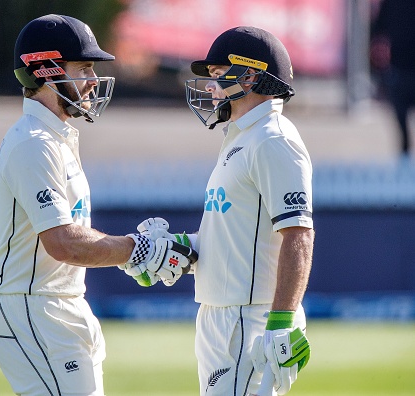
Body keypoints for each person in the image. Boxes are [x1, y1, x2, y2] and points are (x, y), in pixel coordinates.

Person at [0, 14, 195, 396]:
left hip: (59, 306)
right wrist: (137, 249)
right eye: (83, 68)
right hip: (35, 309)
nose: (94, 80)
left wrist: (132, 252)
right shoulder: (35, 143)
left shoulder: (55, 138)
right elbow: (63, 243)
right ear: (46, 71)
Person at [131, 26, 314, 395]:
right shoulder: (241, 137)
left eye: (217, 76)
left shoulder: (273, 138)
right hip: (222, 314)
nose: (211, 87)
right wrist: (180, 248)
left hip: (250, 318)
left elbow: (298, 233)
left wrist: (281, 320)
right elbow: (234, 232)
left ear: (249, 75)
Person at [370, 0, 415, 158]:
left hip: (399, 70)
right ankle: (404, 164)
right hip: (399, 70)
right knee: (401, 127)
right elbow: (377, 31)